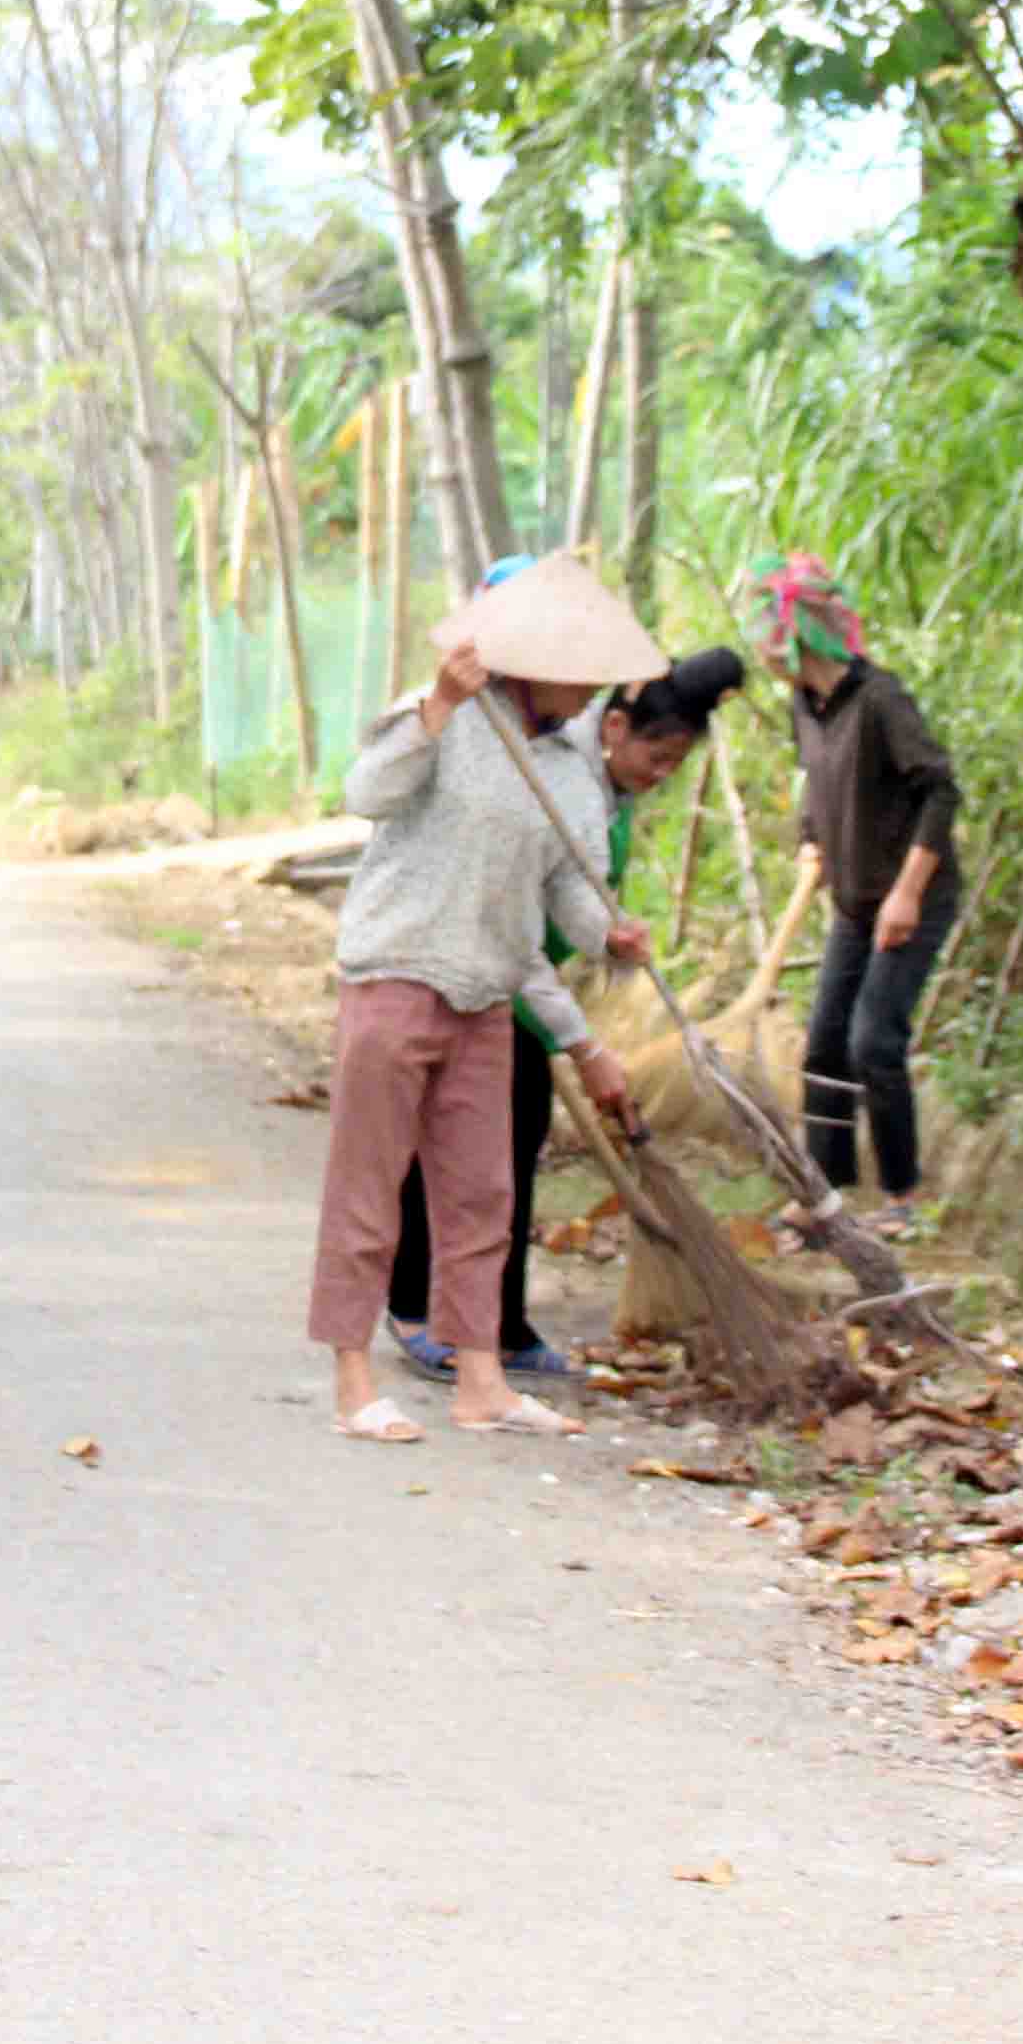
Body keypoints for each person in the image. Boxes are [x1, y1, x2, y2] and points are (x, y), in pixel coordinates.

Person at [316, 556, 661, 1445]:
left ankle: (481, 1383)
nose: (589, 690)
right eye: (574, 670)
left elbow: (565, 886)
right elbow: (367, 793)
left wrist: (608, 935)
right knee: (371, 1185)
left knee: (481, 1196)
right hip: (397, 972)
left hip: (486, 995)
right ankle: (354, 1381)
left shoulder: (569, 769)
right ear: (526, 657)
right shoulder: (441, 715)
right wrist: (437, 708)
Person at [388, 638, 747, 1382]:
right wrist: (583, 1044)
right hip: (478, 966)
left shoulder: (603, 785)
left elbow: (571, 907)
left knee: (510, 1152)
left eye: (676, 767)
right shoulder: (550, 774)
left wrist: (611, 942)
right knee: (454, 1149)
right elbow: (516, 914)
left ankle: (500, 1320)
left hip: (524, 976)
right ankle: (413, 1306)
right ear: (615, 728)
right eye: (659, 758)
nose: (661, 776)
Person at [754, 554, 966, 1228]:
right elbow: (817, 784)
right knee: (823, 1045)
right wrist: (810, 837)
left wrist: (906, 895)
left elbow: (939, 791)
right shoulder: (804, 705)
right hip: (852, 897)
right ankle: (828, 1193)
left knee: (874, 1039)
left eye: (769, 628)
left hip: (914, 893)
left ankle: (901, 1199)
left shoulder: (880, 699)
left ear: (801, 632)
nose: (762, 644)